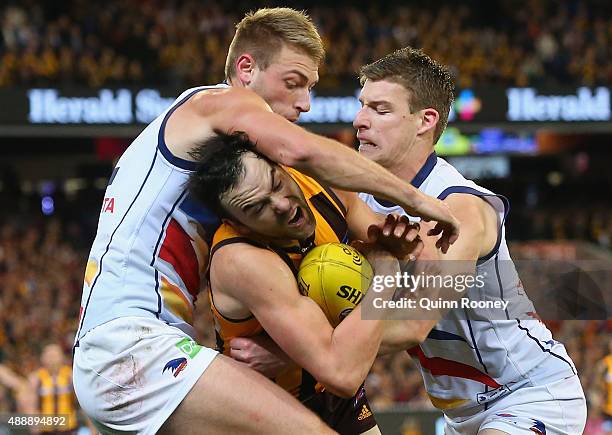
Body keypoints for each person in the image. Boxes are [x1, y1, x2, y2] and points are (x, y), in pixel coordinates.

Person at [72, 8, 459, 435]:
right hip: (131, 348)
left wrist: (398, 247)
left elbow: (403, 293)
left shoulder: (247, 167)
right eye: (293, 83)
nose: (305, 103)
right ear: (246, 68)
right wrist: (416, 200)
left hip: (142, 348)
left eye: (310, 88)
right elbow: (303, 151)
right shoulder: (215, 105)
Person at [353, 47, 587, 434]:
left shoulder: (460, 208)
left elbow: (413, 323)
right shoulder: (356, 198)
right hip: (459, 415)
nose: (361, 121)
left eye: (380, 110)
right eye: (362, 106)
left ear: (425, 121)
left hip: (529, 393)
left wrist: (313, 347)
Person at [187, 131, 424, 435]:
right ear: (237, 224)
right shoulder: (243, 260)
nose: (281, 205)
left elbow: (413, 311)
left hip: (335, 396)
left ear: (282, 166)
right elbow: (344, 371)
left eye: (276, 183)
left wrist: (289, 353)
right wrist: (387, 271)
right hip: (267, 410)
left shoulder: (325, 187)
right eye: (257, 208)